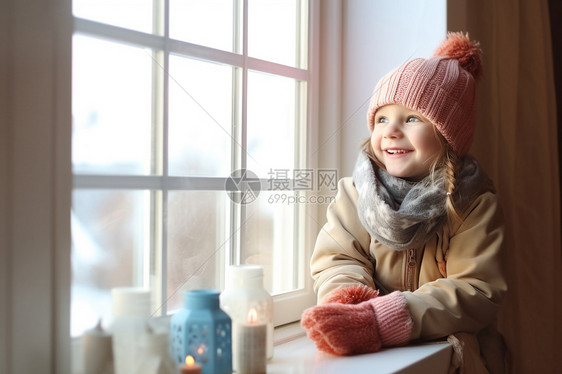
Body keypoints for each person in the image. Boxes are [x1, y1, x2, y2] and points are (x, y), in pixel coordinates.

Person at [301, 32, 508, 374]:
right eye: (382, 118)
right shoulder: (357, 194)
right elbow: (338, 258)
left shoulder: (472, 204)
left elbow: (476, 289)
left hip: (454, 358)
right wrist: (351, 305)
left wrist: (390, 318)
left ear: (447, 134)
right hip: (376, 351)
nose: (392, 130)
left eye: (412, 118)